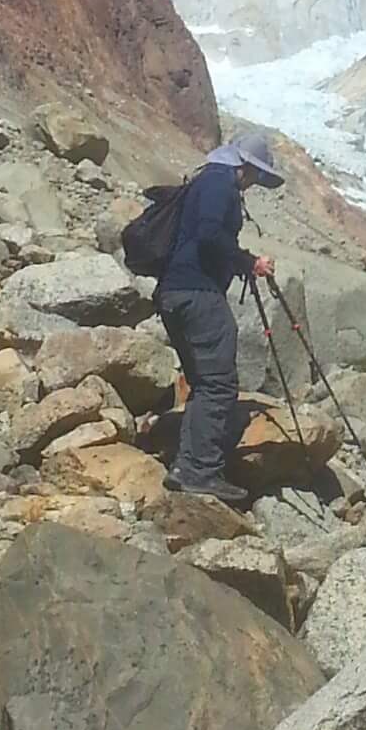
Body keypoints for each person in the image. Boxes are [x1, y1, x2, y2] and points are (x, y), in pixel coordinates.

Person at [156, 131, 284, 504]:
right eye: (256, 177)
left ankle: (187, 466)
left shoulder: (206, 179)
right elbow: (210, 233)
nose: (255, 184)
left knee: (202, 379)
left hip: (175, 292)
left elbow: (203, 236)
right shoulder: (219, 184)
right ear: (244, 167)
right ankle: (198, 471)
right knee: (218, 383)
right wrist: (249, 262)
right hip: (198, 295)